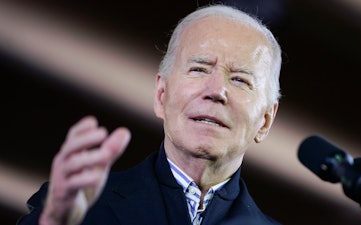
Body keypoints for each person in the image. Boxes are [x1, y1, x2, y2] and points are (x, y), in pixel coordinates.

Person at [17, 4, 282, 225]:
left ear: (265, 121)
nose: (216, 91)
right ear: (161, 95)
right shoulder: (74, 208)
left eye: (239, 80)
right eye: (199, 69)